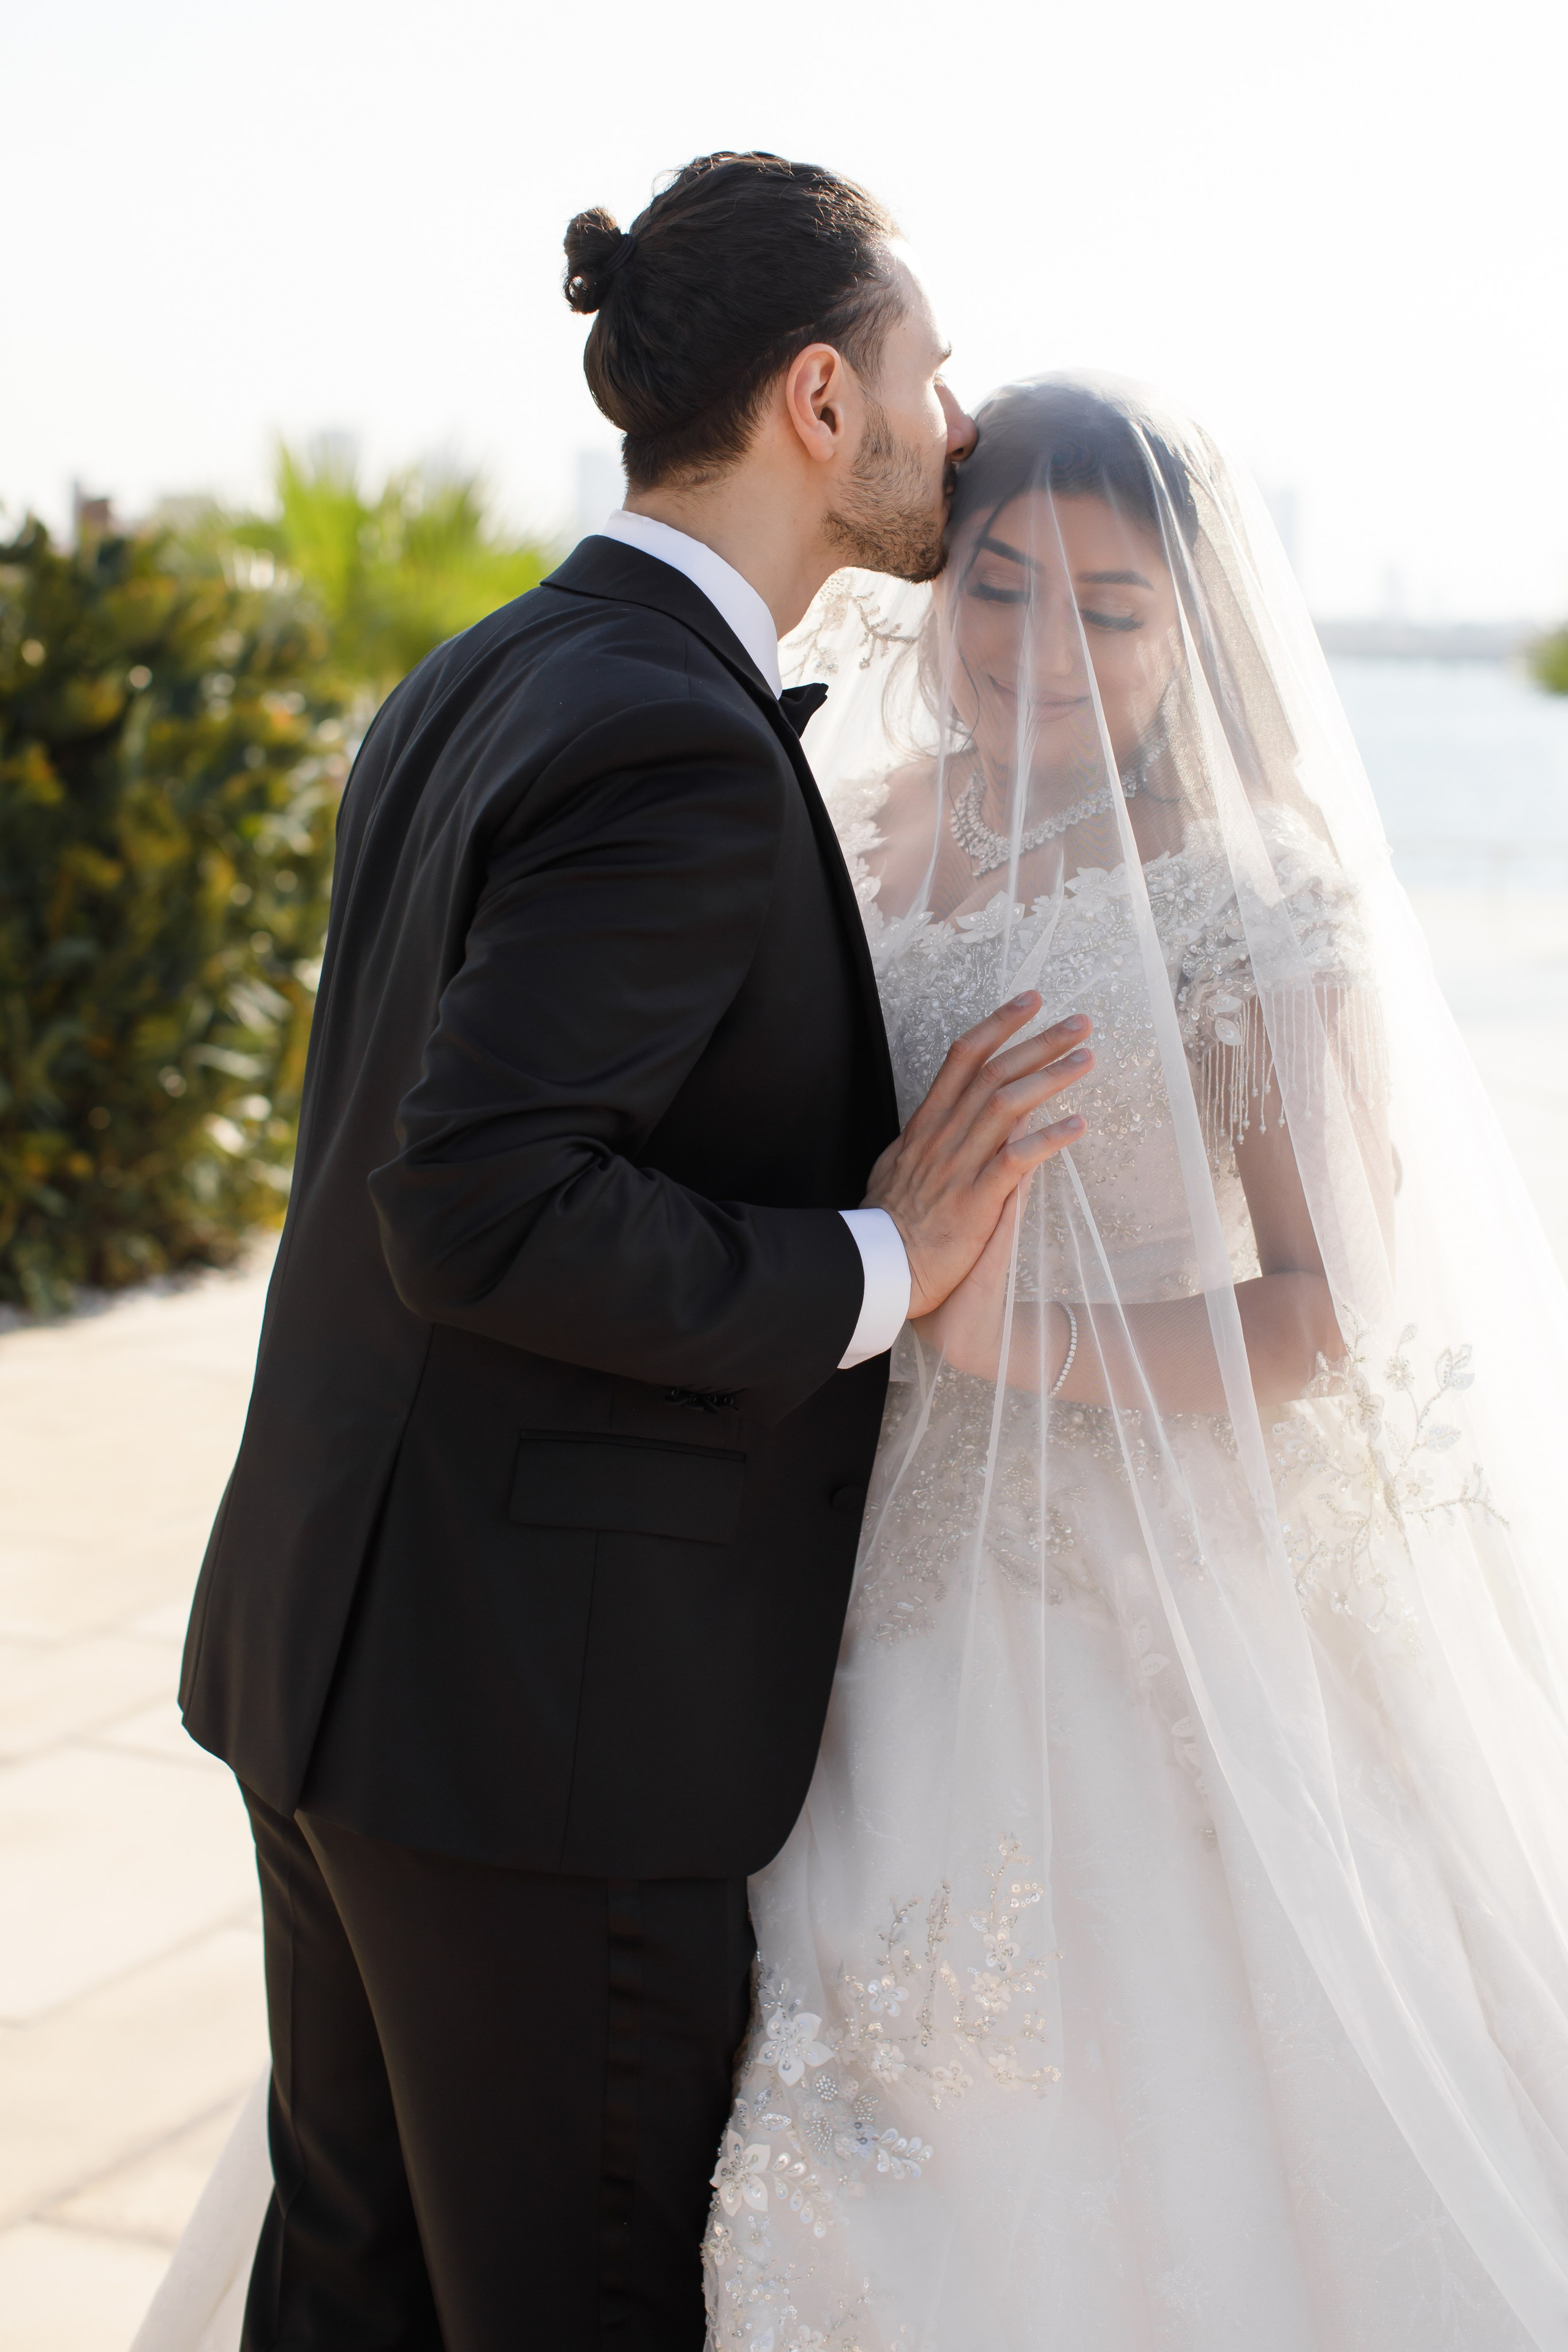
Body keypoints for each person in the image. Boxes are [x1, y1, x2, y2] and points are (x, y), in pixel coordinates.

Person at [156, 157, 1092, 2352]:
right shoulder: (671, 734)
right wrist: (889, 1255)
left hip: (345, 1661)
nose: (955, 418)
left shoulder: (496, 662)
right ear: (816, 399)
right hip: (537, 1734)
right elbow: (475, 1197)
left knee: (356, 2295)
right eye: (926, 370)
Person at [702, 376, 1568, 2350]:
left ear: (1192, 633)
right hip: (844, 1546)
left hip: (1135, 1583)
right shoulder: (844, 820)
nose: (1041, 651)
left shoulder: (1254, 900)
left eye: (1110, 609)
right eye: (1001, 585)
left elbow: (1329, 1302)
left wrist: (1022, 1331)